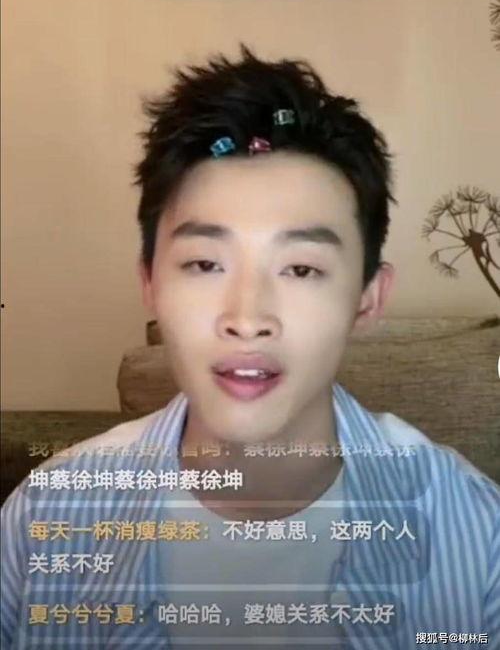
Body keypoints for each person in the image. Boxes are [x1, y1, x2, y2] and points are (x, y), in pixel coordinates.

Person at [1, 44, 499, 649]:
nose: (247, 319)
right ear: (150, 283)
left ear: (368, 297)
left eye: (301, 269)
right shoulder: (46, 517)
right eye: (205, 263)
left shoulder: (475, 532)